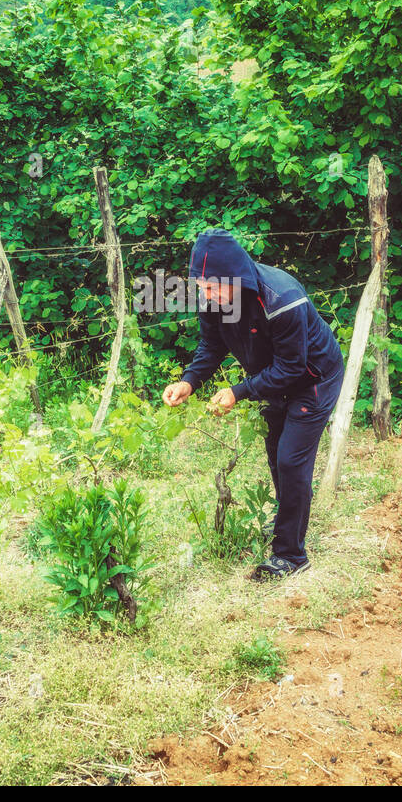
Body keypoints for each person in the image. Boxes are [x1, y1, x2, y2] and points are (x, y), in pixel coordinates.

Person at [162, 229, 345, 580]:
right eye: (202, 288)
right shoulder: (214, 300)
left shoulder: (282, 298)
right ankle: (285, 521)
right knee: (276, 452)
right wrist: (189, 381)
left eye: (214, 287)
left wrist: (239, 391)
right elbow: (211, 347)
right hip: (271, 378)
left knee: (292, 460)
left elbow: (293, 367)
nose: (208, 296)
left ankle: (291, 556)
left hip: (313, 378)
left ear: (237, 278)